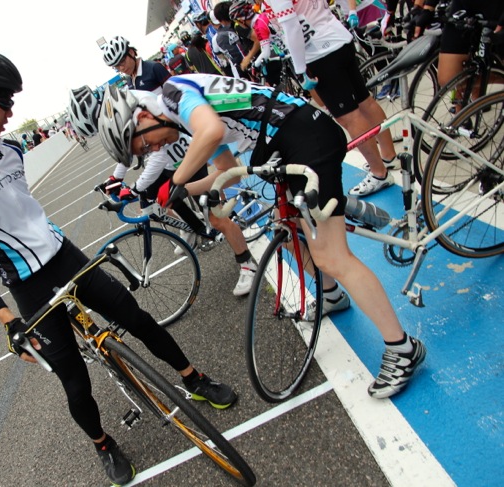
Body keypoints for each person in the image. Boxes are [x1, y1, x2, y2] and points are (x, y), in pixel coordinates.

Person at [0, 48, 238, 486]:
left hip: (65, 256)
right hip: (28, 288)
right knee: (74, 380)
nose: (11, 112)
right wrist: (8, 322)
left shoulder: (12, 150)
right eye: (5, 102)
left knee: (136, 317)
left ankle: (195, 379)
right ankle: (103, 444)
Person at [97, 75, 427, 399]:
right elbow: (224, 171)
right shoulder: (181, 120)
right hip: (286, 144)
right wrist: (173, 195)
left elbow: (211, 132)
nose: (155, 149)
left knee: (331, 257)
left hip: (304, 136)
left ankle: (402, 348)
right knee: (286, 232)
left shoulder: (173, 94)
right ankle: (333, 295)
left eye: (146, 143)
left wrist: (177, 180)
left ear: (142, 116)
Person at [101, 36, 259, 296]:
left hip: (185, 140)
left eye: (122, 62)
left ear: (132, 52)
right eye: (116, 67)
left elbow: (176, 107)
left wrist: (139, 184)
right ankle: (196, 230)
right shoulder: (132, 83)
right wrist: (116, 176)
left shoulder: (153, 70)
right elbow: (140, 146)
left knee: (213, 211)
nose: (121, 68)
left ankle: (246, 263)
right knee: (179, 198)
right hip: (171, 145)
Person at [236, 0, 399, 197]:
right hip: (337, 39)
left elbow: (291, 26)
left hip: (320, 52)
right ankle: (388, 156)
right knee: (365, 101)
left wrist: (300, 69)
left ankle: (379, 173)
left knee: (349, 116)